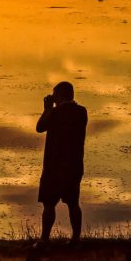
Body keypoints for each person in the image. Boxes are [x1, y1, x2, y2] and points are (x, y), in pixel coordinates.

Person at [35, 81, 87, 247]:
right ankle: (76, 239)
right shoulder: (81, 112)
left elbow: (40, 127)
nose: (53, 97)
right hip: (74, 165)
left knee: (49, 204)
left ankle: (44, 240)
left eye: (55, 94)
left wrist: (47, 109)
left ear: (60, 95)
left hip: (54, 166)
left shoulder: (55, 113)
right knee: (73, 203)